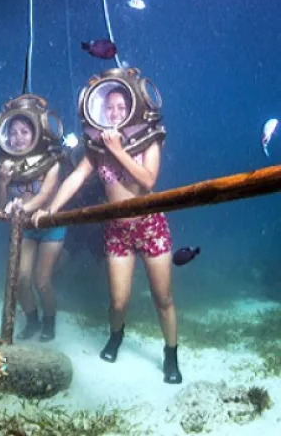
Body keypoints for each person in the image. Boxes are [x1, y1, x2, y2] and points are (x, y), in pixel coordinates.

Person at [32, 86, 182, 384]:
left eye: (120, 107)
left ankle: (171, 354)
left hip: (150, 226)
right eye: (109, 107)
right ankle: (116, 336)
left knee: (163, 298)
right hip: (117, 230)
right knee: (117, 301)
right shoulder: (97, 148)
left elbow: (149, 179)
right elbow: (76, 177)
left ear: (133, 109)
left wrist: (118, 150)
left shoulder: (148, 140)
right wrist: (51, 208)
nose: (114, 113)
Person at [0, 116, 64, 341]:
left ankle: (49, 321)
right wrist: (2, 182)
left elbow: (44, 195)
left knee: (42, 281)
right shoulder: (4, 164)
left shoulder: (51, 163)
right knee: (22, 280)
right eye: (13, 133)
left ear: (36, 134)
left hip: (50, 225)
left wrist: (20, 208)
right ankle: (33, 321)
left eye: (24, 131)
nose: (18, 138)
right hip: (24, 227)